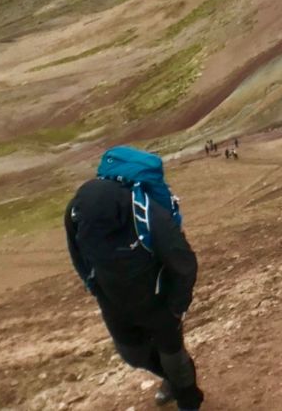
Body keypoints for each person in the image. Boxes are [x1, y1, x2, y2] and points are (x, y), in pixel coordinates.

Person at [65, 160, 203, 410]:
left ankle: (189, 400)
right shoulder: (76, 214)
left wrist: (176, 306)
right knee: (132, 354)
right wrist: (95, 288)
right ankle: (172, 380)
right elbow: (78, 254)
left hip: (159, 302)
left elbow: (184, 262)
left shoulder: (149, 216)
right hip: (113, 303)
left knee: (173, 357)